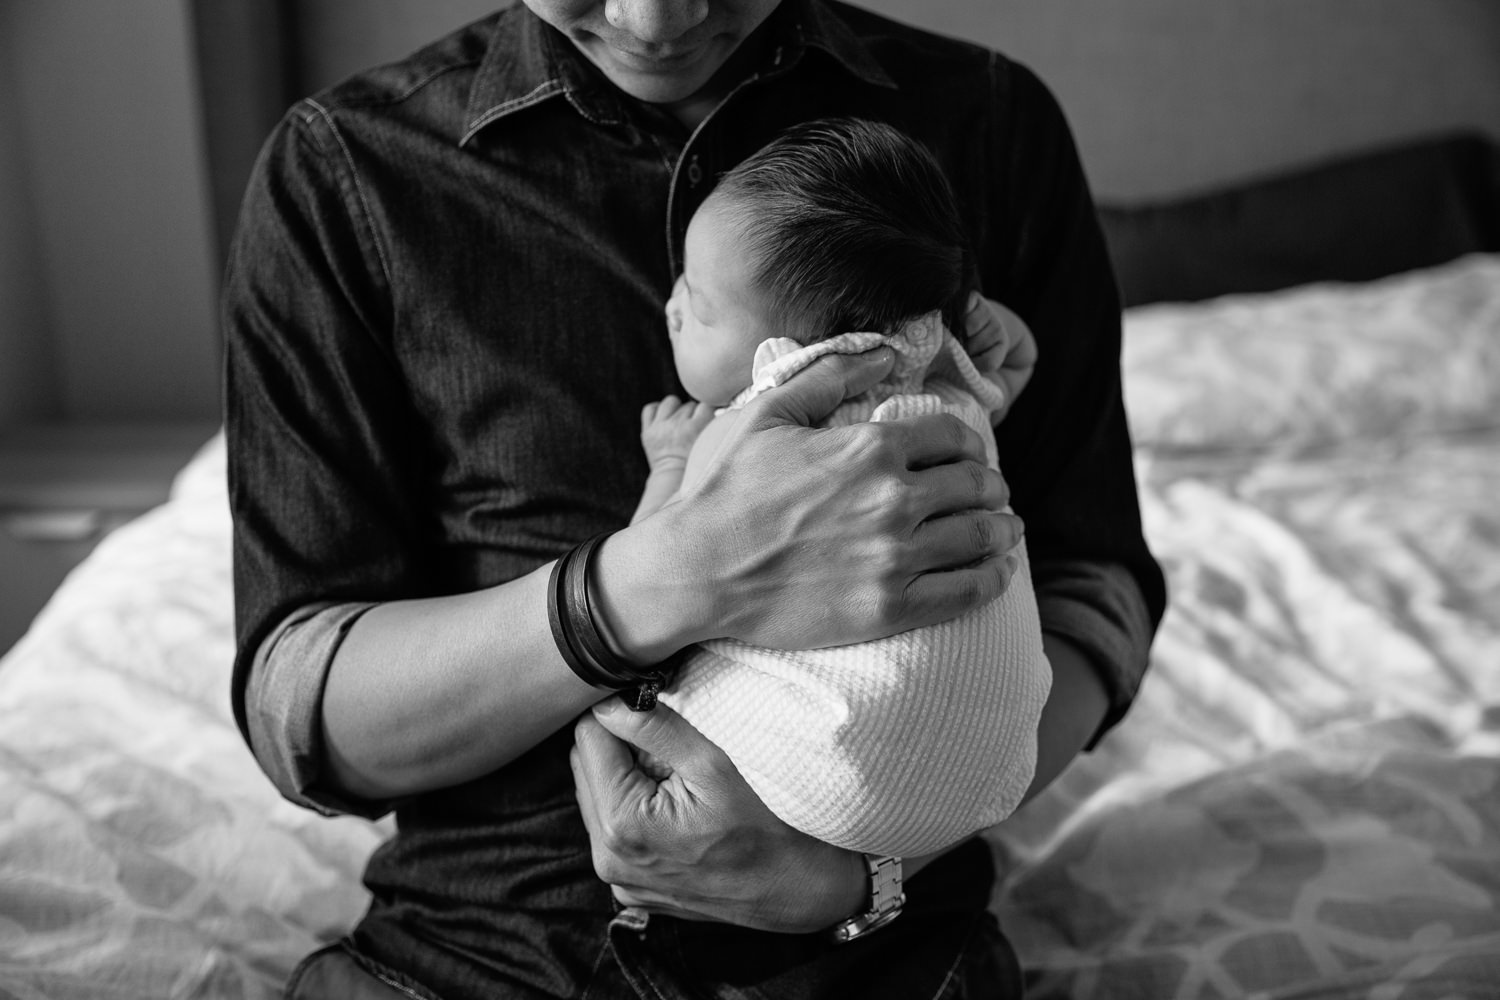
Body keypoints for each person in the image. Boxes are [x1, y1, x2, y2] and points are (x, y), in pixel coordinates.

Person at [222, 1, 1166, 997]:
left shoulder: (986, 121)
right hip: (476, 960)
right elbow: (304, 713)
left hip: (886, 964)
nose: (655, 19)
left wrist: (861, 874)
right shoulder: (345, 173)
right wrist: (664, 581)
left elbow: (1094, 582)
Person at [631, 117, 1052, 859]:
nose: (670, 306)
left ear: (787, 358)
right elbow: (1012, 363)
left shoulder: (755, 437)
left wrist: (671, 462)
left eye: (696, 305)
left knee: (626, 680)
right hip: (995, 773)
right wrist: (1001, 331)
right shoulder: (946, 386)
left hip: (829, 769)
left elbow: (656, 560)